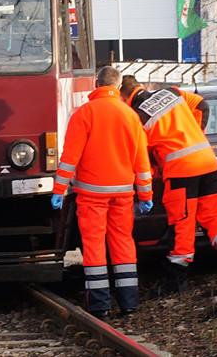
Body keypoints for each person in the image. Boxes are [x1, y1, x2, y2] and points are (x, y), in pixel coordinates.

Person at [120, 76, 217, 293]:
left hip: (181, 172)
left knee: (182, 225)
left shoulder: (137, 117)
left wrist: (149, 176)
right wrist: (196, 134)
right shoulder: (171, 92)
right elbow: (202, 105)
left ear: (124, 97)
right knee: (215, 215)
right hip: (207, 161)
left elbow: (143, 154)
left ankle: (176, 281)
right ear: (141, 87)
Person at [50, 66, 153, 319]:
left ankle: (100, 305)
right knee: (123, 244)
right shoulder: (130, 116)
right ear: (117, 88)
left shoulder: (84, 114)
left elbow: (69, 158)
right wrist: (146, 196)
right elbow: (142, 161)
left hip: (91, 195)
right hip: (123, 195)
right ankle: (129, 302)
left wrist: (58, 190)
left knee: (94, 246)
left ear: (96, 85)